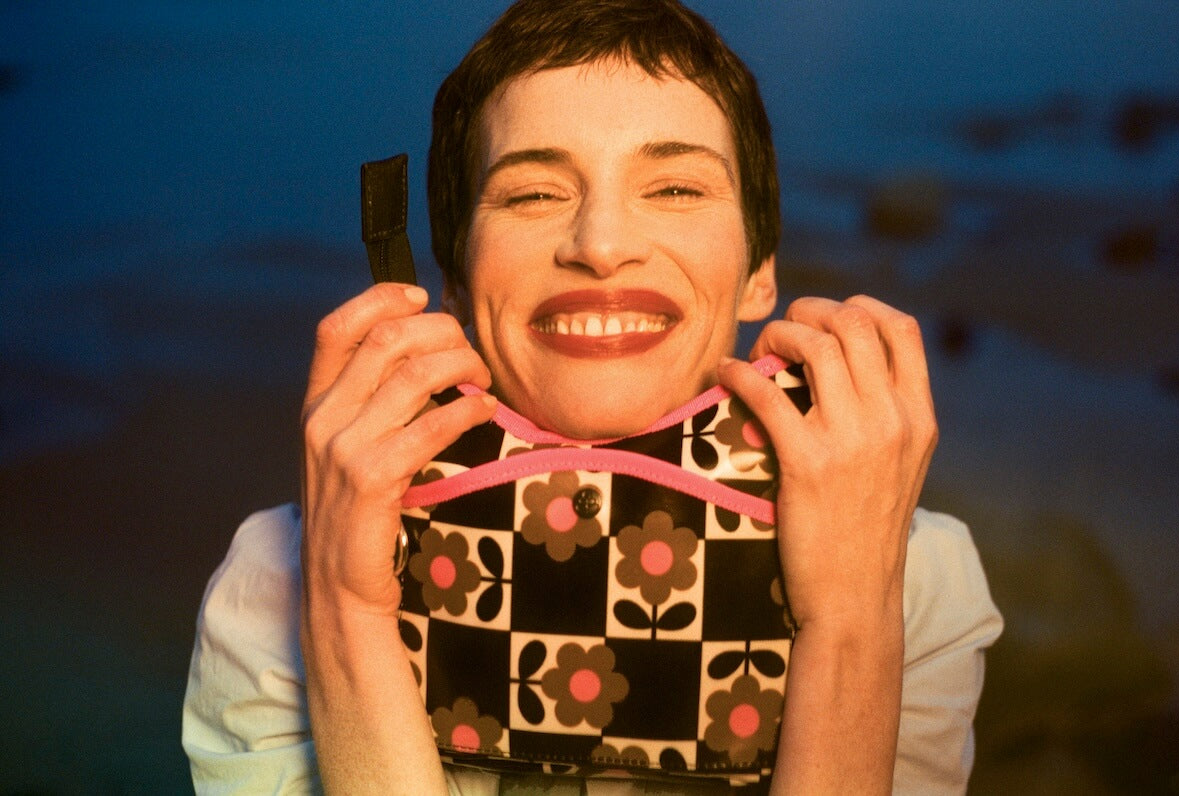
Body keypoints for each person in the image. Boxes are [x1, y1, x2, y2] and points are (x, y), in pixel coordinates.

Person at [182, 1, 1003, 793]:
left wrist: (854, 621)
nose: (601, 246)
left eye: (676, 189)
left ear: (760, 273)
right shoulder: (278, 583)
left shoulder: (918, 577)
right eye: (533, 193)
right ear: (457, 283)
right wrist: (344, 612)